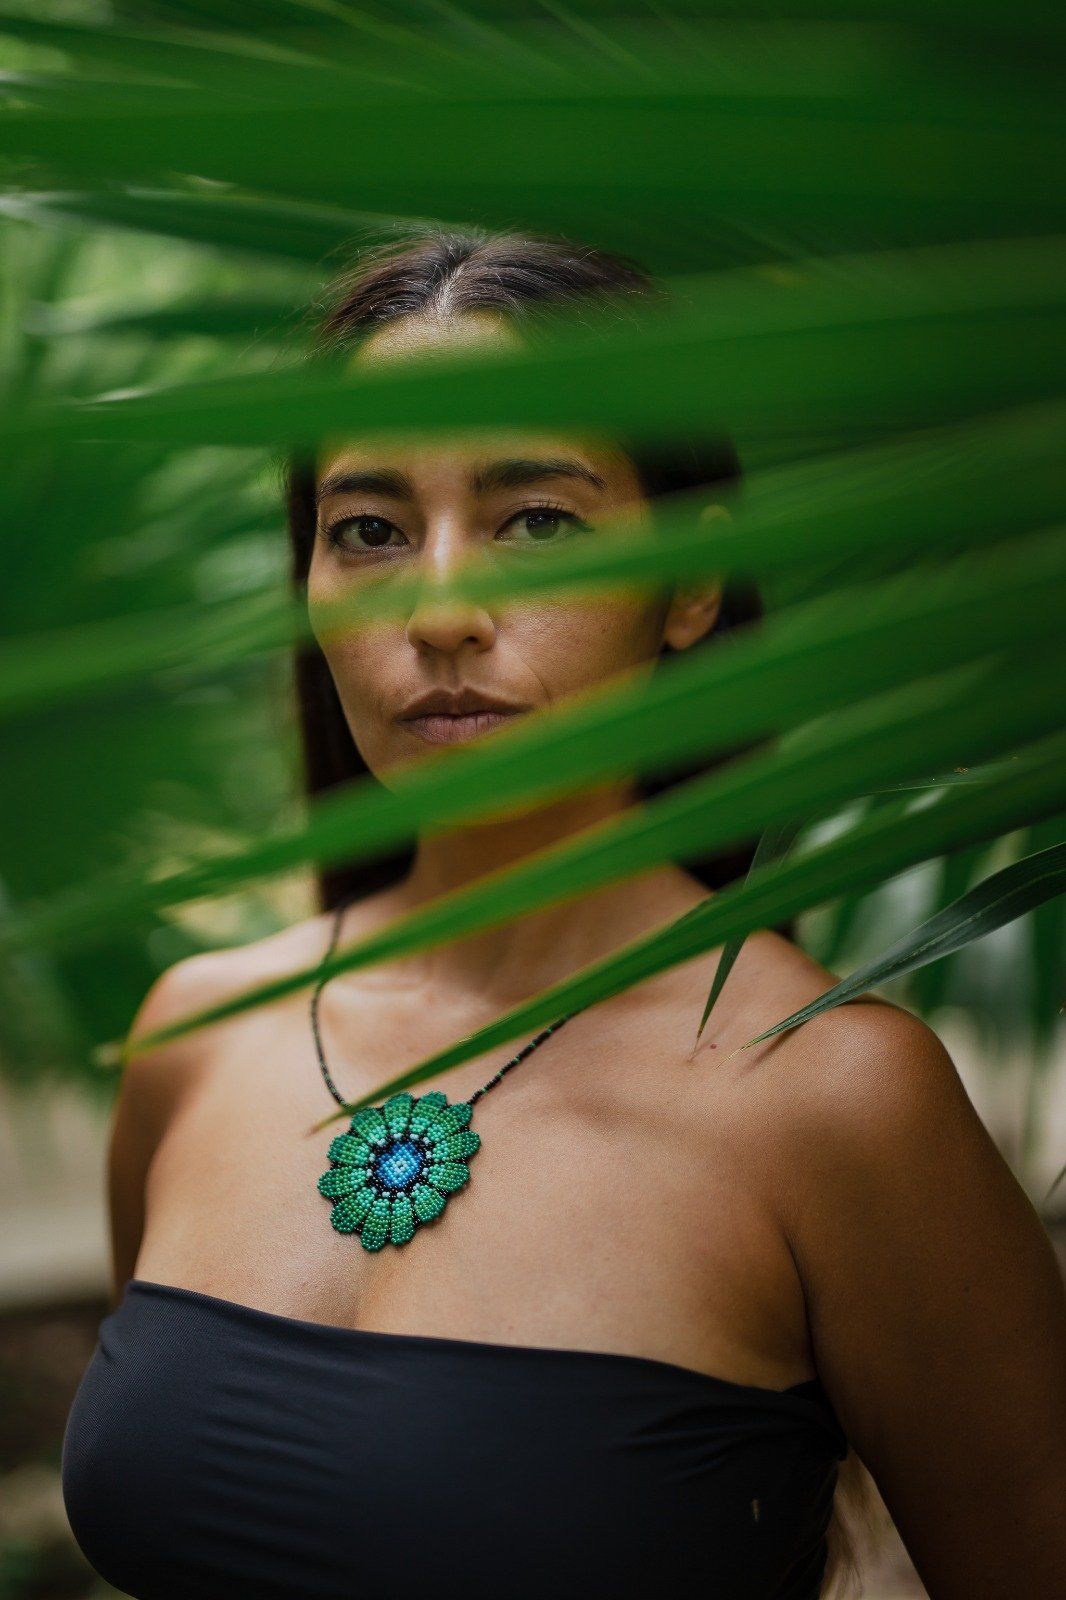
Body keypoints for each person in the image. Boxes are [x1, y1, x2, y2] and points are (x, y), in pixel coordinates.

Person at [61, 229, 1066, 1600]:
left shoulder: (829, 1098)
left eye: (537, 520)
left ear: (690, 584)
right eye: (369, 531)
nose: (443, 608)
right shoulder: (198, 1038)